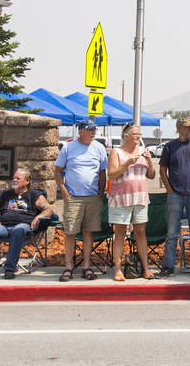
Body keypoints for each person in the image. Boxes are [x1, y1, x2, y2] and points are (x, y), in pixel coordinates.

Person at [0, 169, 53, 279]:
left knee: (18, 230)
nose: (14, 180)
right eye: (14, 178)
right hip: (3, 227)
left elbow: (49, 210)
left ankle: (10, 268)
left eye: (18, 178)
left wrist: (38, 217)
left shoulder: (34, 195)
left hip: (23, 227)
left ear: (27, 181)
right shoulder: (5, 194)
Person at [55, 120, 108, 282]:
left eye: (94, 130)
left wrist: (100, 193)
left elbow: (102, 173)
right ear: (80, 131)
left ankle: (86, 266)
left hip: (93, 198)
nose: (93, 133)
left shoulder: (99, 148)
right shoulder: (68, 148)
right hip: (73, 198)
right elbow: (58, 171)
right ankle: (68, 267)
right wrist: (64, 192)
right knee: (70, 232)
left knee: (88, 232)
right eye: (90, 130)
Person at [158, 117, 190, 278]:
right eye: (186, 127)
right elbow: (162, 170)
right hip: (175, 195)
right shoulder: (169, 147)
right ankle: (168, 267)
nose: (189, 130)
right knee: (172, 233)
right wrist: (169, 189)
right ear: (179, 128)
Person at [108, 123, 156, 281]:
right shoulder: (117, 152)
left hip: (140, 198)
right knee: (120, 233)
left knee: (141, 232)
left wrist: (149, 162)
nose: (138, 137)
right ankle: (117, 269)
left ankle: (146, 268)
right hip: (121, 197)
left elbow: (151, 175)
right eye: (135, 134)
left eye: (139, 134)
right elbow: (112, 174)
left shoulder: (143, 151)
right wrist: (127, 163)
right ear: (126, 136)